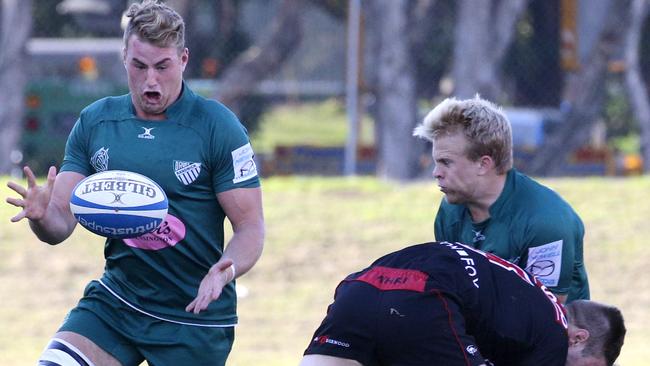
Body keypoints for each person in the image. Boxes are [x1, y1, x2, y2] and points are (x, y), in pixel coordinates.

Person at [5, 1, 264, 365]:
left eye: (163, 66)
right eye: (139, 66)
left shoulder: (217, 127)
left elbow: (251, 227)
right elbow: (60, 223)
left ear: (184, 60)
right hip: (116, 304)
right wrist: (41, 215)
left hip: (192, 319)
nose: (151, 80)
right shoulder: (97, 122)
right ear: (124, 56)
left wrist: (227, 269)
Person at [300, 241, 626, 366]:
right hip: (425, 297)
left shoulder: (530, 297)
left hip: (360, 287)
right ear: (579, 337)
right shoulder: (556, 332)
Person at [412, 95, 588, 303]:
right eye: (436, 162)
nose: (436, 173)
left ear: (483, 164)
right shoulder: (451, 211)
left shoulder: (545, 221)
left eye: (446, 162)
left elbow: (547, 316)